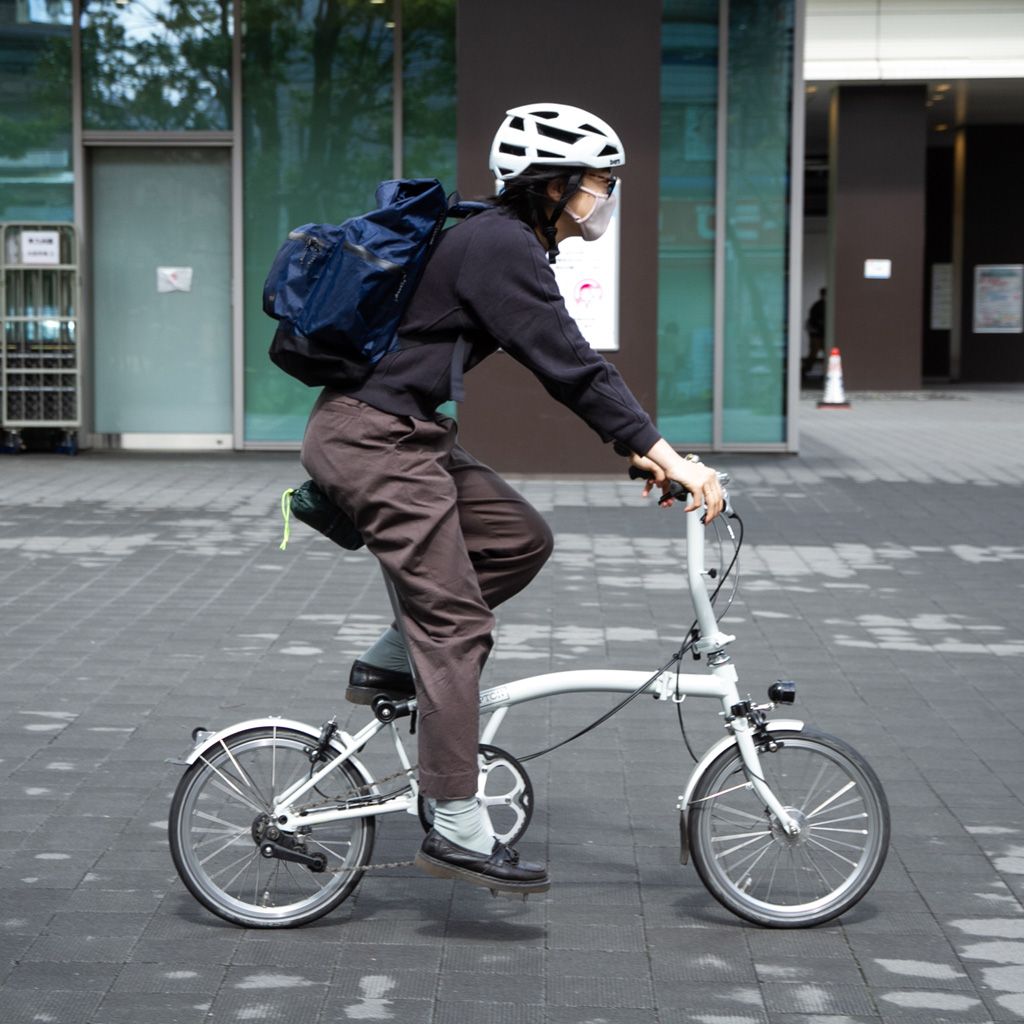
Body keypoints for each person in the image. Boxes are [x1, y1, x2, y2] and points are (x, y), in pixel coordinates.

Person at [300, 102, 724, 896]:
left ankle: (392, 659)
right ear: (553, 184)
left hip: (407, 433)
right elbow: (573, 367)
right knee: (457, 621)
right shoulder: (498, 244)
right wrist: (669, 456)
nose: (606, 195)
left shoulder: (503, 244)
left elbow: (570, 371)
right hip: (373, 440)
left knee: (518, 537)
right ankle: (456, 815)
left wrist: (646, 457)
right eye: (600, 181)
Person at [803, 286, 826, 382]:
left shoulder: (820, 305)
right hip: (817, 334)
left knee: (816, 353)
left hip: (820, 334)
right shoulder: (818, 306)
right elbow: (814, 321)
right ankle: (804, 371)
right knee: (814, 354)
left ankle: (805, 371)